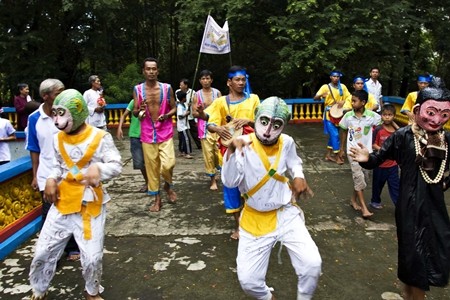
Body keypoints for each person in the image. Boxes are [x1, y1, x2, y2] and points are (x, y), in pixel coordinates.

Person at [349, 76, 450, 300]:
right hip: (410, 204)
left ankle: (409, 290)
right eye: (431, 112)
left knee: (437, 248)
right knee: (413, 252)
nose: (437, 120)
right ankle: (414, 294)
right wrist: (366, 158)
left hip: (435, 207)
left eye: (444, 114)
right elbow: (379, 158)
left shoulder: (445, 139)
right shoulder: (403, 136)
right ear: (416, 110)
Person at [222, 96, 322, 300]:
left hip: (285, 213)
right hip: (255, 217)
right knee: (248, 281)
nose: (268, 131)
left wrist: (300, 177)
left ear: (283, 126)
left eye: (276, 125)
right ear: (256, 118)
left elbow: (295, 163)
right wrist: (231, 152)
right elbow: (230, 182)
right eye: (264, 122)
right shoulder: (243, 145)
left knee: (312, 264)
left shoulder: (287, 142)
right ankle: (268, 297)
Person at [29, 89, 122, 300]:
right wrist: (51, 179)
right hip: (63, 202)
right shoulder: (57, 139)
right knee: (43, 251)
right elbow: (55, 165)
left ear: (78, 112)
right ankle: (39, 289)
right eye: (55, 114)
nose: (57, 120)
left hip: (90, 206)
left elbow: (116, 165)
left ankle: (92, 292)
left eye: (62, 114)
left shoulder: (100, 137)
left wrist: (98, 170)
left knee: (92, 257)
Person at [197, 65, 260, 240]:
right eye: (237, 80)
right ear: (229, 82)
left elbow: (263, 122)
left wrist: (249, 120)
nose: (241, 82)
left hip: (252, 149)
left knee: (252, 187)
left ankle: (252, 222)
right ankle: (239, 226)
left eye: (243, 79)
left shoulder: (253, 99)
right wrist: (216, 128)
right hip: (229, 152)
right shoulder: (220, 102)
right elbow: (209, 122)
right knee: (232, 187)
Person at [26, 79, 80, 261]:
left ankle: (72, 247)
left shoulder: (69, 114)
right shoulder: (35, 118)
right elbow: (34, 149)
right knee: (50, 214)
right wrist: (35, 175)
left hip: (69, 172)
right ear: (45, 96)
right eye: (58, 93)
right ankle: (48, 253)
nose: (62, 96)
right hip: (46, 174)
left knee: (72, 210)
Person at [132, 57, 177, 212]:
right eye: (148, 69)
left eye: (154, 69)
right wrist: (140, 110)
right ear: (144, 71)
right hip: (147, 134)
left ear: (158, 71)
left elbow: (174, 107)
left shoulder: (166, 88)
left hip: (165, 131)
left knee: (168, 164)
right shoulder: (138, 90)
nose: (151, 72)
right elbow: (135, 112)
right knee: (152, 168)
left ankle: (167, 185)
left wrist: (167, 115)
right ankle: (157, 199)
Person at [339, 90, 381, 218]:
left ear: (363, 102)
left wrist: (376, 145)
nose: (352, 103)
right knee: (359, 178)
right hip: (352, 151)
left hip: (367, 152)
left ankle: (353, 199)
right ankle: (364, 209)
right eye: (351, 100)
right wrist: (341, 149)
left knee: (364, 179)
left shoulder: (372, 116)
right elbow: (343, 131)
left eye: (354, 101)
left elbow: (380, 128)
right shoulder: (348, 117)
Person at [192, 69, 222, 190]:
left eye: (208, 78)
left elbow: (223, 110)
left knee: (219, 153)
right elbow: (193, 113)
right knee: (208, 155)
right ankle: (212, 180)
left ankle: (222, 173)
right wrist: (201, 112)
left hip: (218, 127)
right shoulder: (197, 95)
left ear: (211, 80)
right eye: (203, 79)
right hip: (204, 128)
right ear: (200, 81)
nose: (205, 81)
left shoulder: (217, 93)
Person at [313, 70, 350, 165]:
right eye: (334, 76)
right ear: (330, 77)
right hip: (329, 114)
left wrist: (344, 102)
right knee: (335, 135)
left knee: (334, 135)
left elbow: (349, 97)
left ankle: (328, 155)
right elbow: (315, 98)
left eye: (338, 76)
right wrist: (321, 95)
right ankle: (337, 156)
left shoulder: (343, 87)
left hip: (339, 113)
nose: (336, 78)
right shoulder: (325, 87)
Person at [370, 104, 400, 209]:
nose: (387, 117)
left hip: (393, 164)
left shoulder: (396, 131)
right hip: (380, 164)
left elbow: (403, 136)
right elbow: (373, 144)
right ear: (381, 116)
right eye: (384, 115)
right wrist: (384, 151)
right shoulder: (378, 129)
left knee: (395, 186)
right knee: (378, 184)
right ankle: (375, 201)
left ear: (394, 116)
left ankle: (399, 205)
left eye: (390, 115)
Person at [117, 99, 148, 193]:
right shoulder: (134, 102)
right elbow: (124, 115)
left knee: (151, 161)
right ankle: (148, 182)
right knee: (139, 162)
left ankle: (153, 182)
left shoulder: (152, 100)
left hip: (149, 135)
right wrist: (119, 128)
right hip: (135, 135)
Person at [176, 78, 201, 149]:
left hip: (190, 115)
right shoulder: (178, 91)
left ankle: (199, 144)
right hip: (183, 113)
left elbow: (195, 101)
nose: (180, 86)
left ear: (186, 85)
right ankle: (181, 147)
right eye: (180, 85)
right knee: (181, 132)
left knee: (194, 131)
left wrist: (191, 103)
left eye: (181, 85)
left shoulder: (192, 92)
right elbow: (178, 101)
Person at [176, 90, 193, 159]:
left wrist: (188, 107)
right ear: (183, 98)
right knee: (186, 139)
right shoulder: (180, 107)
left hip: (183, 125)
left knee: (181, 139)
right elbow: (180, 116)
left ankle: (181, 151)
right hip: (182, 126)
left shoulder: (183, 105)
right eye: (185, 97)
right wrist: (186, 114)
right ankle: (187, 153)